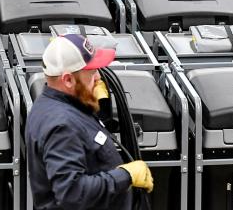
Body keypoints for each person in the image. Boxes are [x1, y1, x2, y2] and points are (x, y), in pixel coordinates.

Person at [26, 34, 154, 210]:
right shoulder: (61, 125)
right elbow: (72, 192)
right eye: (92, 72)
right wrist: (125, 175)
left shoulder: (63, 106)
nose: (99, 78)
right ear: (68, 80)